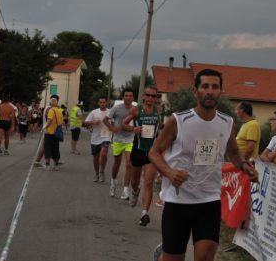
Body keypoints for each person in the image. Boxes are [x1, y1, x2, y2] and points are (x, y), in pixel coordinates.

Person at [149, 69, 258, 261]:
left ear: (221, 92)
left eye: (215, 87)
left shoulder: (227, 122)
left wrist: (244, 166)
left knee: (206, 254)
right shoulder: (178, 121)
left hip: (209, 199)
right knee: (174, 256)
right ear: (195, 91)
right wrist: (169, 172)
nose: (210, 91)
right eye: (205, 86)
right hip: (178, 200)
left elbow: (232, 152)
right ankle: (163, 254)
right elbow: (154, 152)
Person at [122, 86, 161, 226]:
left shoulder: (158, 111)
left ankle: (144, 213)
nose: (151, 98)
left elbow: (159, 128)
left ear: (156, 98)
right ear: (144, 96)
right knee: (135, 179)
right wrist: (134, 129)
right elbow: (124, 124)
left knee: (149, 181)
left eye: (153, 96)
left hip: (152, 152)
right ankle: (134, 191)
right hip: (138, 149)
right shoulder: (136, 110)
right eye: (148, 95)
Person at [103, 87, 135, 199]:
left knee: (129, 163)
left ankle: (125, 190)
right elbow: (105, 120)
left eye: (130, 96)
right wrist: (112, 128)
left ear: (133, 97)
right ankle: (113, 182)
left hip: (130, 139)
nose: (128, 98)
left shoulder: (135, 109)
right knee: (116, 163)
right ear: (123, 97)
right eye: (126, 96)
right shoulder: (117, 108)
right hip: (118, 139)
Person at [84, 96, 111, 182]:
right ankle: (96, 173)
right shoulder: (94, 112)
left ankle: (102, 172)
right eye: (101, 102)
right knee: (95, 157)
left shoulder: (110, 112)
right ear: (98, 103)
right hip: (95, 138)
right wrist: (93, 122)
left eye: (104, 102)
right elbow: (85, 123)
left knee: (104, 153)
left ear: (106, 103)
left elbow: (114, 124)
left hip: (106, 136)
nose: (102, 104)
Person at [34, 95, 60, 168]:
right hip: (48, 130)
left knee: (46, 146)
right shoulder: (50, 109)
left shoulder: (48, 108)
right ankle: (39, 161)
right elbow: (50, 119)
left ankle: (53, 160)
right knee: (46, 146)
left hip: (47, 129)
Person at [42, 97, 63, 171]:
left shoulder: (51, 110)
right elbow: (61, 122)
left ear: (51, 103)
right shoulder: (59, 111)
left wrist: (44, 127)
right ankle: (56, 165)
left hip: (50, 132)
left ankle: (47, 165)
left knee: (48, 148)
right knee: (56, 149)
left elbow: (49, 120)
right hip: (56, 133)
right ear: (56, 103)